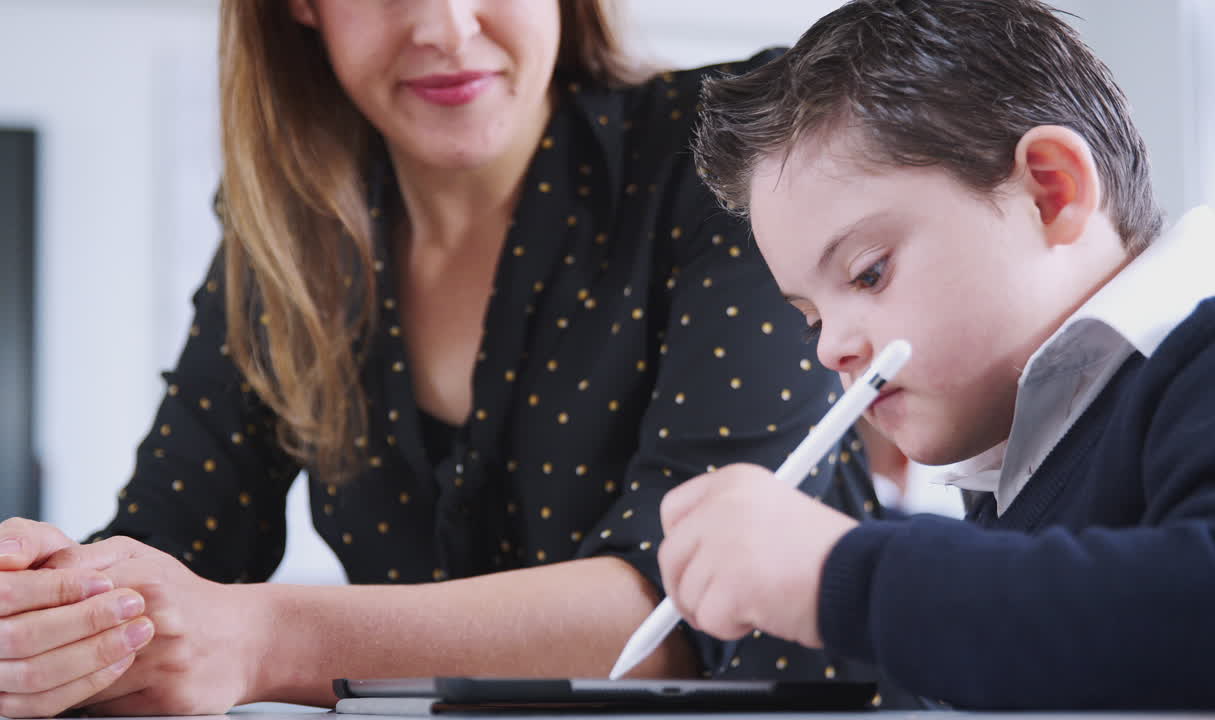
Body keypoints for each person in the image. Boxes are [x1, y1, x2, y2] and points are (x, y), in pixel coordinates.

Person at [0, 1, 883, 717]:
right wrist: (58, 604)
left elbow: (679, 610)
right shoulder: (287, 230)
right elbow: (169, 547)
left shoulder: (729, 151)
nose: (447, 27)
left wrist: (258, 638)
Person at [658, 0, 1215, 709]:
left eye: (868, 272)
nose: (831, 347)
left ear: (1051, 190)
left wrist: (838, 574)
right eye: (809, 319)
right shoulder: (1015, 476)